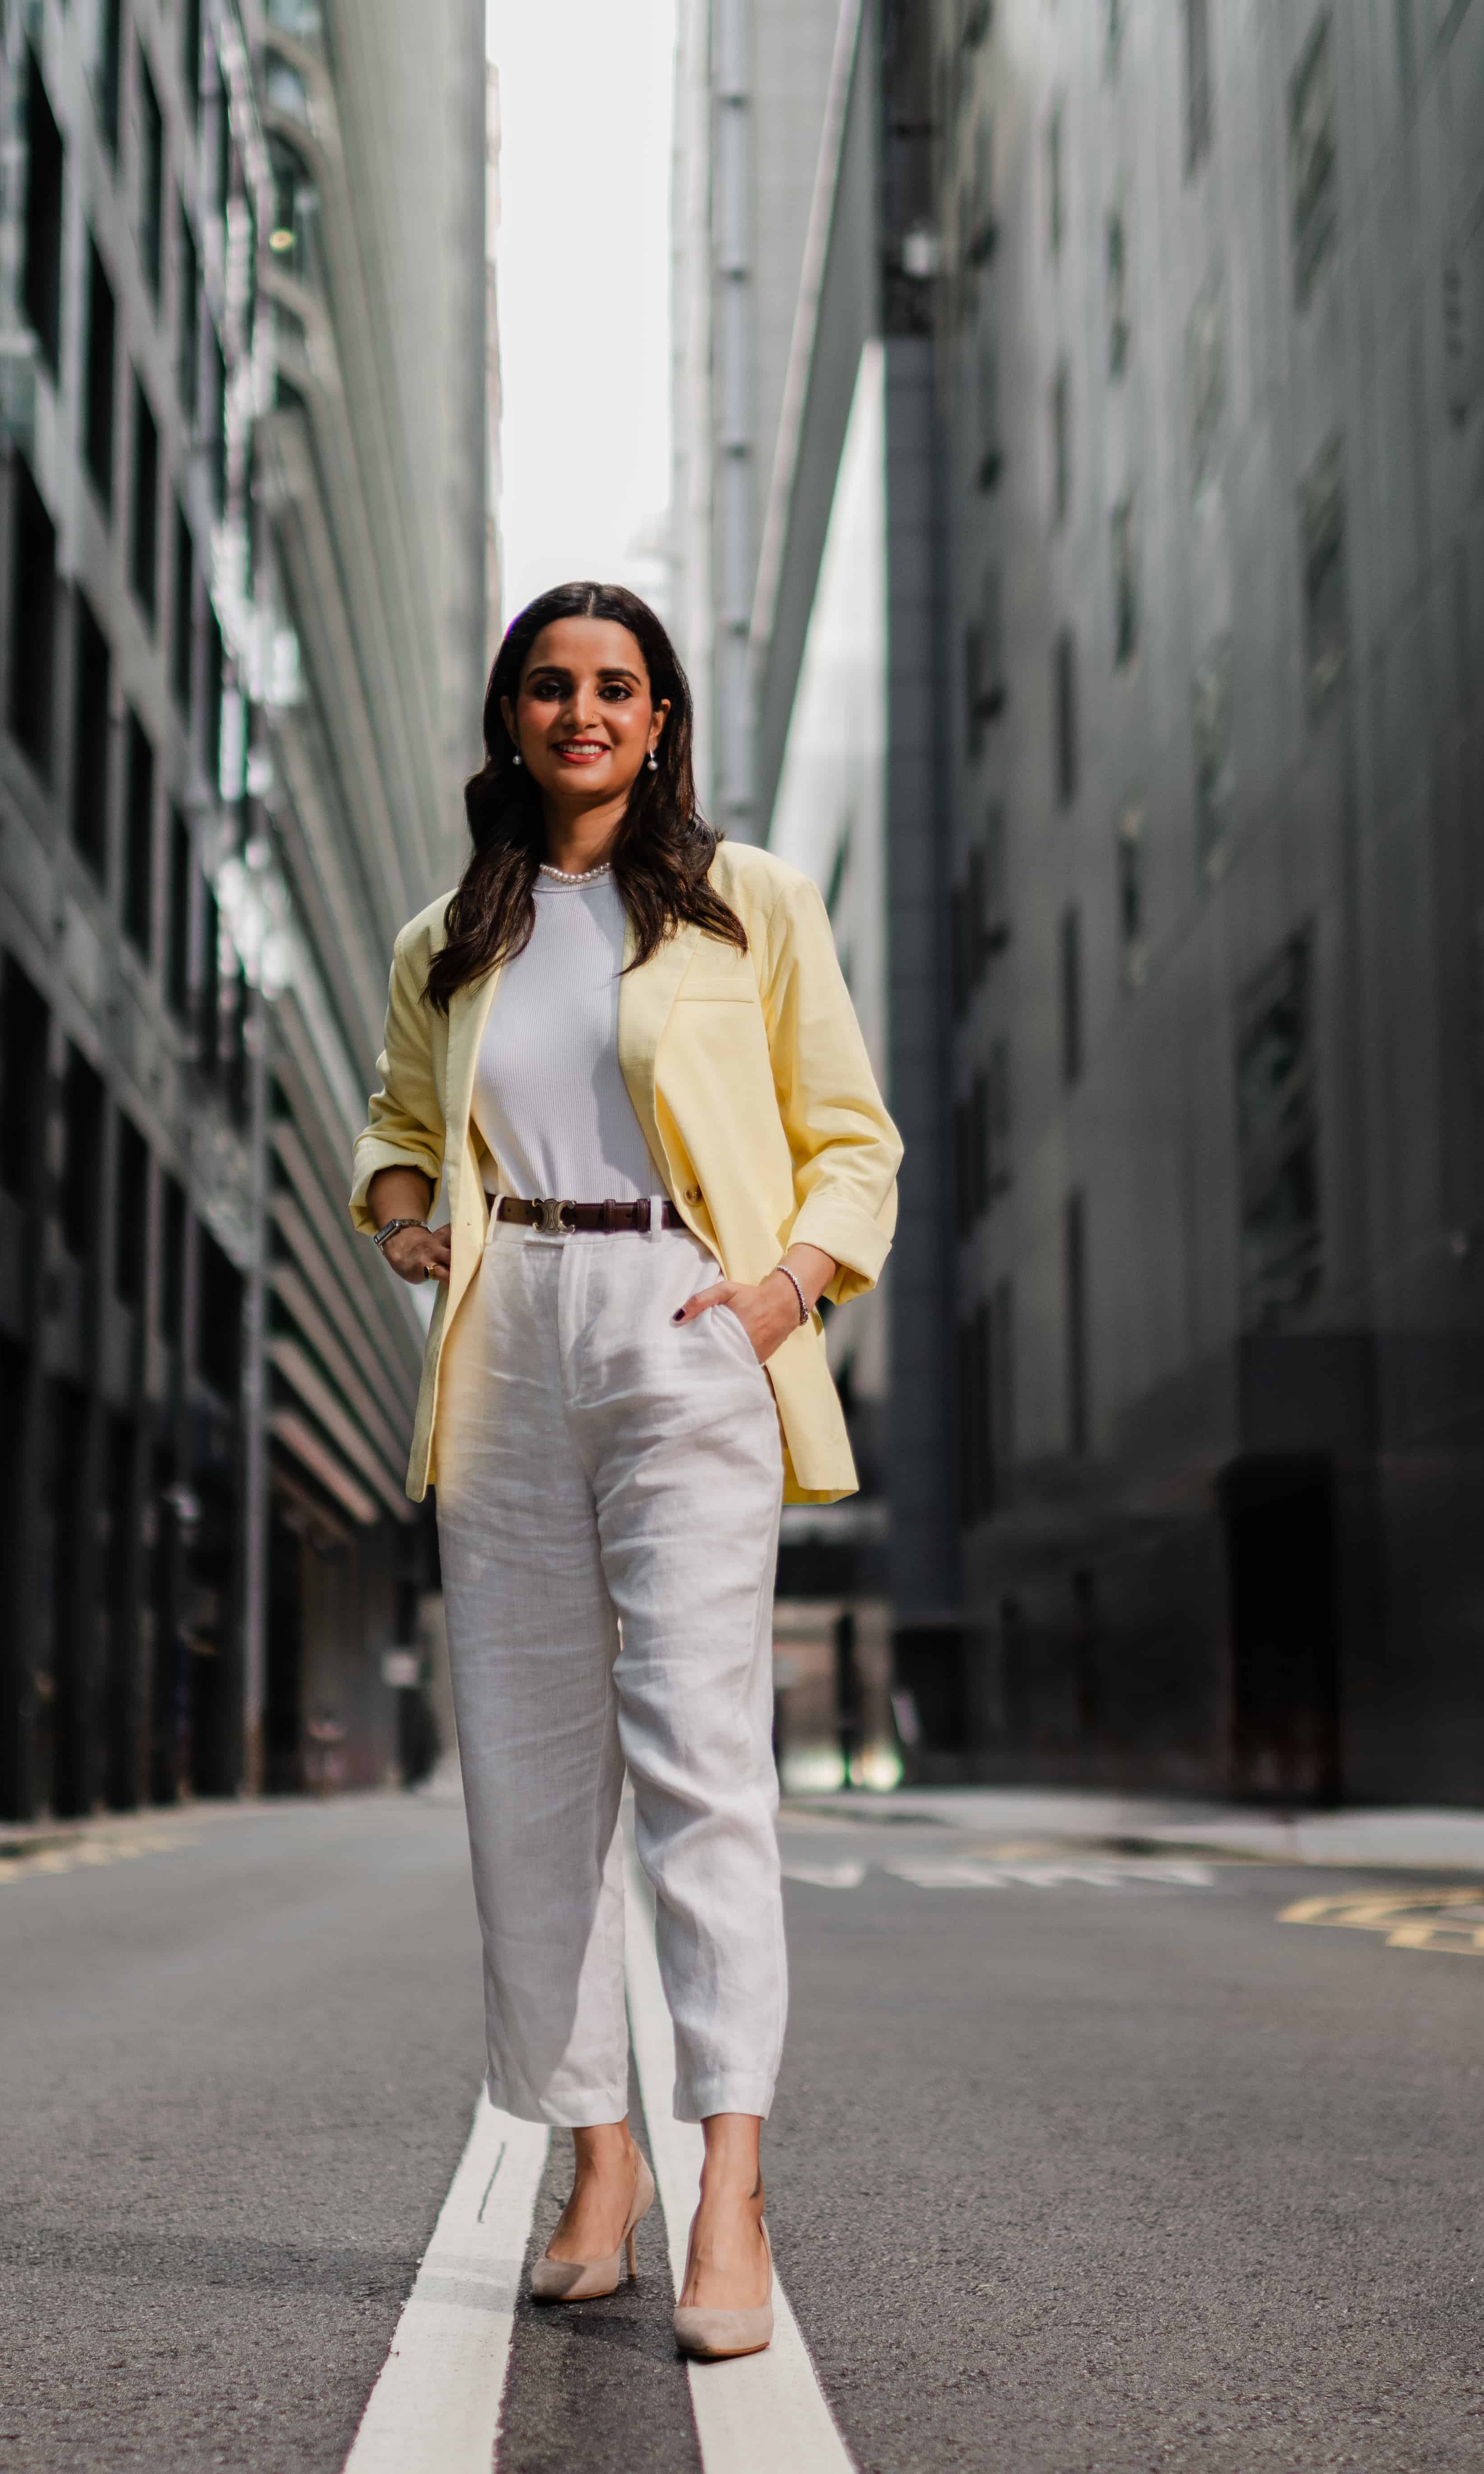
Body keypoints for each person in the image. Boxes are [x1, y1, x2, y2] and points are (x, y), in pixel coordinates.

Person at [350, 582, 901, 2362]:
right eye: (550, 685)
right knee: (527, 1777)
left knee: (699, 1762)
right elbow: (392, 1117)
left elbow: (853, 1143)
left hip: (684, 1322)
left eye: (616, 686)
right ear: (512, 717)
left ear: (659, 718)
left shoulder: (755, 907)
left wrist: (777, 1296)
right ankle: (605, 2160)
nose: (582, 711)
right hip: (509, 1334)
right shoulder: (452, 934)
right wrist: (405, 1208)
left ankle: (726, 2172)